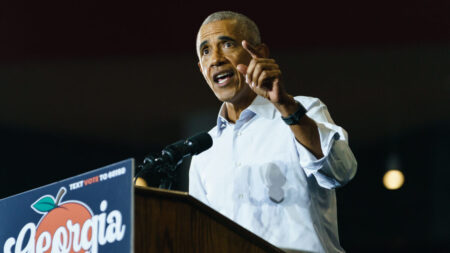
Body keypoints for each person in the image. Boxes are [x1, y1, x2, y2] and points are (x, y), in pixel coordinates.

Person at [189, 11, 357, 253]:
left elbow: (342, 171)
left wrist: (286, 107)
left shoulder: (303, 110)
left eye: (227, 44)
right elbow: (200, 239)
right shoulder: (203, 153)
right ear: (201, 68)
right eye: (205, 51)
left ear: (260, 54)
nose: (215, 59)